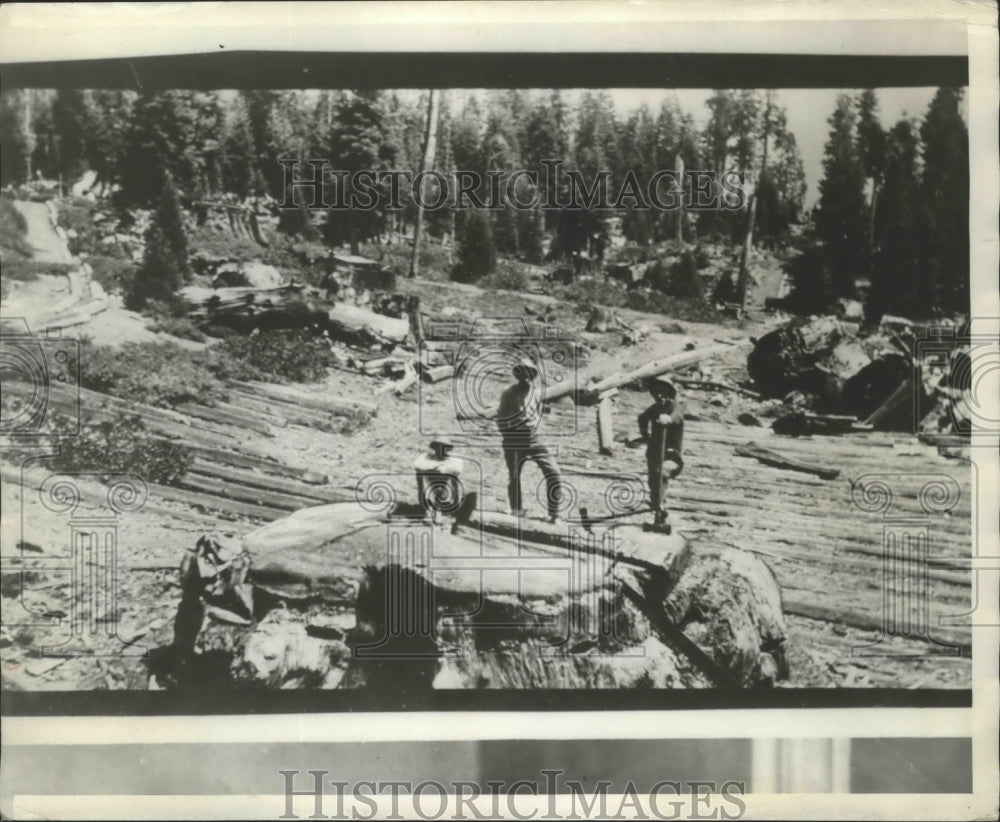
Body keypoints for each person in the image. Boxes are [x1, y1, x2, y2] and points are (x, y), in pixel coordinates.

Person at [496, 357, 564, 523]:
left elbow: (539, 414)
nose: (525, 377)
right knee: (514, 476)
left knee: (554, 473)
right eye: (522, 373)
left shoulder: (536, 393)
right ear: (518, 375)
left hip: (534, 438)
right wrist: (509, 436)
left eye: (529, 374)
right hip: (514, 439)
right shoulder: (508, 393)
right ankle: (516, 511)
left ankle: (554, 514)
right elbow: (500, 418)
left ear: (531, 376)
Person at [637, 376, 685, 527]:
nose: (660, 396)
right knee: (653, 481)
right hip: (654, 452)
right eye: (656, 393)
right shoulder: (655, 408)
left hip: (671, 454)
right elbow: (642, 418)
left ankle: (660, 509)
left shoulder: (676, 407)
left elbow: (678, 417)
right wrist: (646, 435)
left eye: (663, 393)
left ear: (670, 393)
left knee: (662, 473)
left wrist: (669, 419)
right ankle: (658, 510)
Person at [412, 437, 464, 524]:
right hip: (430, 483)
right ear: (435, 448)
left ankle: (445, 511)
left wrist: (443, 468)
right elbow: (416, 464)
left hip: (445, 484)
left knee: (452, 477)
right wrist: (435, 466)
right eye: (438, 447)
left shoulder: (453, 458)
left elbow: (458, 468)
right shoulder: (427, 456)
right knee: (421, 474)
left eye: (444, 447)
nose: (441, 449)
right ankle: (429, 510)